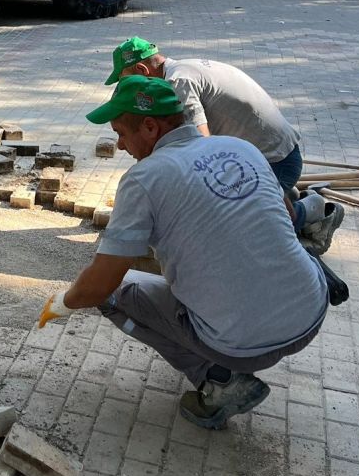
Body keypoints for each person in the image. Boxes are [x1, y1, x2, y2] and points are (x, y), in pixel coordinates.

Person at [38, 75, 328, 429]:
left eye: (121, 133)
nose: (120, 146)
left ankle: (218, 381)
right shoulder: (241, 149)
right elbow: (283, 215)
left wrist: (65, 302)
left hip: (244, 345)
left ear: (149, 126)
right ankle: (314, 272)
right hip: (312, 309)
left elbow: (98, 284)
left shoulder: (144, 179)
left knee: (112, 293)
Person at [104, 36, 343, 254]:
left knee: (230, 226)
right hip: (268, 155)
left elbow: (201, 149)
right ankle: (281, 193)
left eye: (126, 80)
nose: (125, 89)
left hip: (276, 161)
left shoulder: (178, 82)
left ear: (142, 69)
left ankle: (310, 212)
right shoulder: (182, 67)